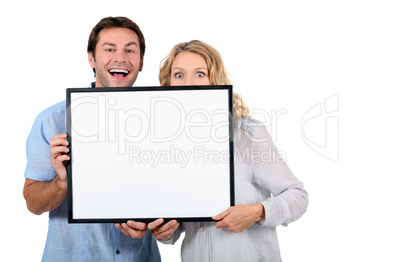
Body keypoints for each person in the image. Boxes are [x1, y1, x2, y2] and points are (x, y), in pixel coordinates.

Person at [117, 40, 309, 262]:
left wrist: (257, 212)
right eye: (179, 75)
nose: (188, 84)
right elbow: (176, 228)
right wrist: (165, 231)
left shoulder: (247, 134)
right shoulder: (164, 147)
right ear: (168, 83)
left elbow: (299, 196)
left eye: (200, 74)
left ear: (214, 79)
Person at [23, 16, 161, 262]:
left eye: (130, 50)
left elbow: (170, 195)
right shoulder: (52, 121)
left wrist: (158, 224)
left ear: (140, 63)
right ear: (91, 58)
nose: (120, 58)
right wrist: (63, 182)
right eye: (109, 49)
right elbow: (33, 203)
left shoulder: (162, 123)